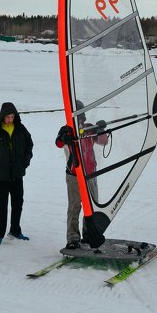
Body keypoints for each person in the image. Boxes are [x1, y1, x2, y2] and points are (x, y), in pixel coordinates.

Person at [55, 101, 109, 249]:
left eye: (80, 113)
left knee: (91, 206)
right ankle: (73, 238)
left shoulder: (88, 128)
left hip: (91, 173)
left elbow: (103, 142)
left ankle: (88, 234)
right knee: (74, 207)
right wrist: (64, 138)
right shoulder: (67, 129)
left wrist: (101, 129)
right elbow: (58, 143)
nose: (79, 117)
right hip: (74, 174)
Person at [0, 101, 33, 245]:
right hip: (0, 176)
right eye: (8, 117)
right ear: (2, 117)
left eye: (12, 117)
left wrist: (25, 162)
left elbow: (29, 145)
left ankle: (15, 230)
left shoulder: (21, 129)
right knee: (1, 205)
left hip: (17, 174)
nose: (10, 119)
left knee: (18, 203)